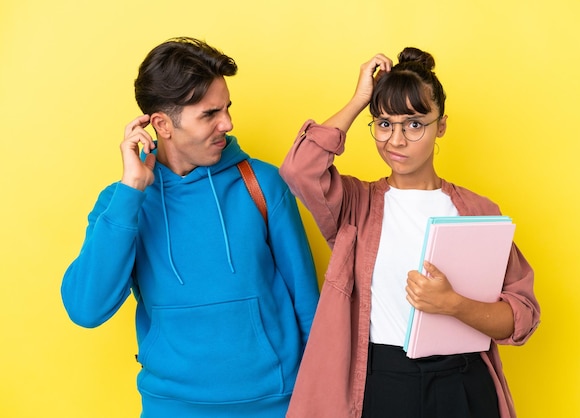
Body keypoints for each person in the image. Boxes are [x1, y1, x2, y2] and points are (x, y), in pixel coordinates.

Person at [61, 37, 320, 418]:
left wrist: (321, 398)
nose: (228, 124)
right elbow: (86, 308)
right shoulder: (122, 203)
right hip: (171, 407)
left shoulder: (262, 184)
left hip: (277, 404)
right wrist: (133, 191)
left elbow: (307, 303)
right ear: (163, 124)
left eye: (227, 108)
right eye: (210, 113)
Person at [279, 48, 540, 418]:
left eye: (414, 124)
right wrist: (358, 100)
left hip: (463, 381)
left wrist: (454, 305)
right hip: (383, 380)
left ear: (442, 125)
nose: (396, 140)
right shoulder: (355, 204)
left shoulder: (479, 211)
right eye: (384, 123)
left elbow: (522, 317)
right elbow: (299, 170)